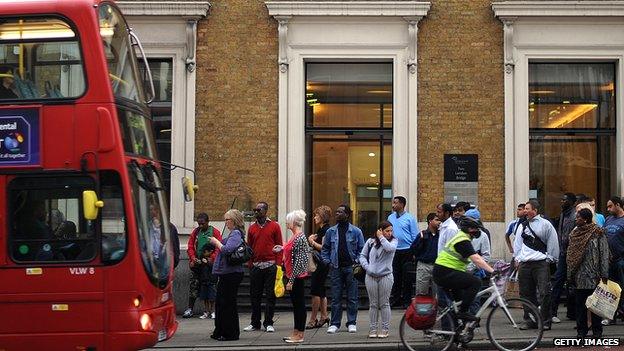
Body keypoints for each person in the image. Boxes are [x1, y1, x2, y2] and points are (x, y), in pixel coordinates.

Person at [432, 216, 495, 321]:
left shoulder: (463, 238)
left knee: (459, 303)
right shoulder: (462, 240)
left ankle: (458, 332)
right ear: (469, 229)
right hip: (445, 272)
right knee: (476, 282)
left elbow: (477, 257)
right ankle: (464, 313)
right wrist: (493, 271)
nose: (477, 231)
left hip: (446, 272)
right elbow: (476, 259)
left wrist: (487, 267)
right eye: (475, 228)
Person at [513, 199, 559, 330]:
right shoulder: (522, 225)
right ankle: (530, 320)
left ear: (535, 210)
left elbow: (553, 242)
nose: (525, 211)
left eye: (527, 209)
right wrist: (517, 258)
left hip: (541, 264)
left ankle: (545, 321)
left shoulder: (546, 224)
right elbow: (518, 243)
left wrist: (550, 259)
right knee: (526, 293)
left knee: (544, 292)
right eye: (525, 209)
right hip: (525, 264)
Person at [321, 204, 365, 334]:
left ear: (347, 214)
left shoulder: (356, 231)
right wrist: (327, 262)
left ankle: (351, 322)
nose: (337, 214)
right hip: (336, 268)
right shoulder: (331, 231)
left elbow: (362, 249)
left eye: (340, 212)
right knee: (336, 298)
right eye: (336, 212)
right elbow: (325, 249)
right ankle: (335, 323)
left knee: (352, 297)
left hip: (351, 268)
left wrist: (356, 261)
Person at [567, 208, 609, 338]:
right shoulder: (574, 234)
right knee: (580, 306)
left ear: (585, 219)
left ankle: (597, 332)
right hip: (579, 275)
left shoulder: (597, 232)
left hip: (594, 275)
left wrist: (604, 274)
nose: (576, 219)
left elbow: (604, 253)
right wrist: (570, 275)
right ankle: (581, 332)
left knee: (595, 306)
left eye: (578, 217)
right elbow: (570, 254)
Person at [244, 202, 283, 333]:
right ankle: (255, 323)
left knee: (270, 296)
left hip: (271, 265)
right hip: (256, 266)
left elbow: (279, 246)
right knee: (255, 296)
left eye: (259, 210)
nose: (256, 212)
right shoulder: (252, 228)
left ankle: (268, 323)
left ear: (265, 211)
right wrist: (250, 264)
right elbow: (249, 247)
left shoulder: (274, 226)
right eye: (255, 210)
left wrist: (278, 265)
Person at [209, 209, 245, 341]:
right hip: (227, 273)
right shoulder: (232, 233)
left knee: (227, 304)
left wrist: (216, 243)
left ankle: (230, 333)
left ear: (234, 221)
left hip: (231, 274)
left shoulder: (236, 233)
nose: (225, 222)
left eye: (227, 220)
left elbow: (227, 250)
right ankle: (220, 331)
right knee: (221, 303)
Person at [275, 209, 310, 343]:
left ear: (294, 222)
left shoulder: (300, 237)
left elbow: (300, 261)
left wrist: (291, 280)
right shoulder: (295, 236)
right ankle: (296, 332)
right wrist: (282, 247)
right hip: (291, 274)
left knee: (299, 305)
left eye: (288, 221)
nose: (286, 223)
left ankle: (299, 335)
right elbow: (292, 251)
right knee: (296, 305)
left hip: (296, 277)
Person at [359, 221, 397, 338]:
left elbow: (389, 248)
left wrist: (381, 237)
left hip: (386, 276)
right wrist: (367, 267)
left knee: (384, 303)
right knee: (373, 304)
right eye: (387, 231)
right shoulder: (370, 242)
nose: (389, 233)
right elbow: (362, 256)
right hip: (370, 276)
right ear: (380, 229)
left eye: (391, 231)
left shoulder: (394, 241)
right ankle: (373, 329)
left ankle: (385, 329)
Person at [184, 213, 222, 318]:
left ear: (208, 222)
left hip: (209, 265)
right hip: (198, 263)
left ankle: (212, 310)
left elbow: (219, 247)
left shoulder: (214, 232)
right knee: (194, 286)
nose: (200, 226)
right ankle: (190, 308)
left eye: (202, 223)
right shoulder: (196, 232)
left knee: (211, 287)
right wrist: (192, 258)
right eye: (198, 223)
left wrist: (212, 258)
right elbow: (190, 246)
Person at [551, 193, 579, 324]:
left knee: (573, 283)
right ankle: (552, 312)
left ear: (572, 202)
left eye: (565, 200)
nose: (562, 201)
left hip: (573, 254)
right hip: (563, 254)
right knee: (558, 281)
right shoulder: (563, 214)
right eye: (561, 199)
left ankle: (573, 312)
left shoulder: (575, 215)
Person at [387, 196, 418, 308]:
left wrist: (414, 251)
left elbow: (415, 235)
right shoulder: (390, 217)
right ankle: (395, 299)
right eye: (393, 203)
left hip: (407, 250)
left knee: (407, 277)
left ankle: (406, 301)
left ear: (402, 204)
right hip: (394, 250)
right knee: (395, 276)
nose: (393, 205)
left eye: (395, 203)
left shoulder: (410, 218)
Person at [306, 205, 331, 329]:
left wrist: (312, 242)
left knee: (315, 290)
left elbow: (325, 248)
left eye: (317, 215)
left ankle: (313, 319)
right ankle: (324, 316)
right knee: (321, 290)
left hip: (321, 264)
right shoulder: (321, 230)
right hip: (321, 263)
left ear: (323, 217)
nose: (315, 217)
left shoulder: (326, 230)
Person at [603, 196, 624, 324]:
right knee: (610, 289)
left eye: (610, 206)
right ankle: (611, 316)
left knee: (622, 287)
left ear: (617, 205)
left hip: (621, 259)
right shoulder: (608, 219)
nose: (608, 209)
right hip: (609, 260)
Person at [412, 213, 440, 296]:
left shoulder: (441, 234)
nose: (439, 222)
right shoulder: (422, 234)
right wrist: (421, 240)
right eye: (436, 220)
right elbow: (413, 250)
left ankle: (437, 309)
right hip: (423, 265)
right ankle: (422, 309)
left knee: (437, 293)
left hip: (437, 265)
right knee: (421, 292)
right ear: (430, 221)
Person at [197, 243, 218, 319]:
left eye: (205, 252)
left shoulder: (214, 258)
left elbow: (214, 267)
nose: (204, 253)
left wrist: (207, 263)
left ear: (211, 251)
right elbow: (199, 269)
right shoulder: (202, 258)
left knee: (212, 297)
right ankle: (206, 311)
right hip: (204, 280)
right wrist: (199, 263)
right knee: (205, 297)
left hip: (212, 280)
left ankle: (212, 311)